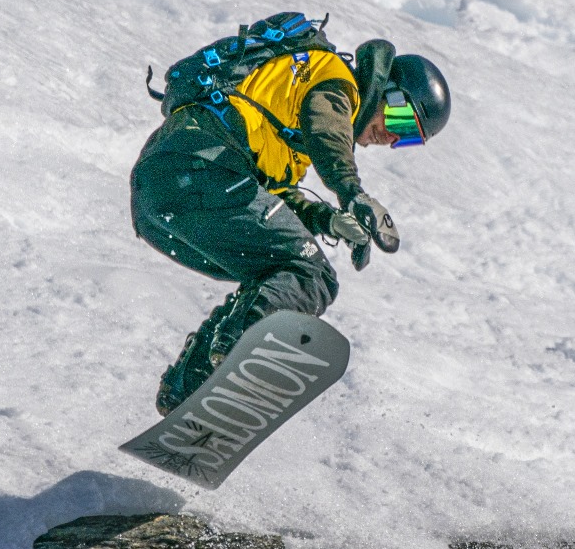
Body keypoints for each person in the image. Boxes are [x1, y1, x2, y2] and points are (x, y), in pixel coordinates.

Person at [129, 26, 451, 414]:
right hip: (201, 165)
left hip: (162, 193)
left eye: (410, 139)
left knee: (275, 271)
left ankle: (188, 390)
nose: (392, 139)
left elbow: (273, 193)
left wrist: (326, 220)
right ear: (388, 91)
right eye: (400, 121)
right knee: (310, 274)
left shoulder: (288, 127)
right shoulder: (334, 78)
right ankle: (230, 365)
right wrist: (352, 193)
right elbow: (327, 126)